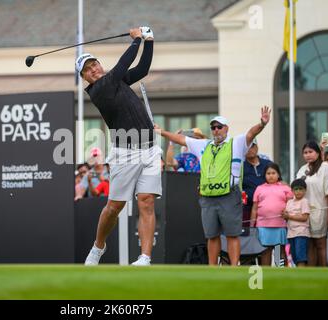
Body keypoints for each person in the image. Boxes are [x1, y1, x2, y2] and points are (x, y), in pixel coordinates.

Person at [79, 27, 161, 266]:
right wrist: (137, 40)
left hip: (149, 149)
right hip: (126, 152)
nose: (93, 69)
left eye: (94, 64)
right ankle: (98, 247)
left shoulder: (116, 81)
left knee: (146, 200)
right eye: (87, 70)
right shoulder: (99, 90)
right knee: (115, 206)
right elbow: (123, 65)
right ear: (85, 78)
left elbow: (142, 69)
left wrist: (149, 41)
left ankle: (145, 258)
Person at [156, 106, 272, 265]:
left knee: (232, 235)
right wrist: (162, 132)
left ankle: (233, 266)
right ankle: (212, 269)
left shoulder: (236, 143)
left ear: (226, 129)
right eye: (213, 127)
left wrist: (262, 124)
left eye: (219, 127)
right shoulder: (204, 144)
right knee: (211, 236)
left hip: (229, 196)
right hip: (208, 197)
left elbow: (251, 133)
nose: (216, 130)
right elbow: (181, 140)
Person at [296, 141, 328, 266]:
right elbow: (296, 188)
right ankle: (311, 273)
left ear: (318, 153)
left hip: (321, 211)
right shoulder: (302, 169)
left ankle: (323, 273)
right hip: (305, 213)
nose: (308, 155)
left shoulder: (325, 167)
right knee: (309, 244)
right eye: (305, 153)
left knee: (321, 244)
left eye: (311, 152)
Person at [250, 163, 293, 266]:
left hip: (280, 226)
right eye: (268, 173)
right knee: (266, 251)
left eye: (273, 173)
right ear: (265, 175)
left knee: (279, 251)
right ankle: (266, 274)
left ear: (278, 174)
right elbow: (254, 209)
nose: (271, 175)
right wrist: (252, 225)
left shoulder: (285, 188)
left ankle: (280, 274)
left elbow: (291, 205)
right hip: (263, 227)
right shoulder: (259, 188)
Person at [242, 139, 273, 228]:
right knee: (249, 235)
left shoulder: (267, 163)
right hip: (247, 208)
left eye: (252, 146)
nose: (250, 149)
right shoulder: (241, 166)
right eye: (246, 147)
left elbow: (277, 182)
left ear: (257, 147)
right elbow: (238, 187)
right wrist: (244, 200)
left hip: (268, 207)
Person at [283, 179, 310, 267]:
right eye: (296, 189)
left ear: (305, 190)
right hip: (291, 234)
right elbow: (286, 217)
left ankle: (302, 278)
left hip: (301, 233)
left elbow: (305, 217)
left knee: (300, 257)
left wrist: (289, 216)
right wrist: (283, 215)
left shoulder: (304, 201)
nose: (298, 191)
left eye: (301, 189)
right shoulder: (289, 202)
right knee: (294, 257)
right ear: (292, 191)